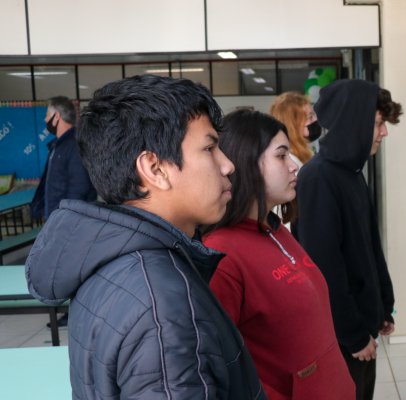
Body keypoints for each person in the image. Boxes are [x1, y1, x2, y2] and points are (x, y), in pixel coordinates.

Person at [25, 75, 266, 399]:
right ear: (154, 169)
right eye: (209, 148)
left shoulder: (110, 258)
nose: (227, 165)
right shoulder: (163, 307)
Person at [203, 109, 354, 400]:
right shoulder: (222, 255)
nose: (294, 166)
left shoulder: (273, 229)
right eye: (281, 155)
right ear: (246, 162)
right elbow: (219, 367)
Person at [296, 79, 402, 400]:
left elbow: (369, 249)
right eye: (378, 124)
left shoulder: (351, 174)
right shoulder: (318, 178)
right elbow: (325, 268)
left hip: (360, 324)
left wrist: (383, 305)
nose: (383, 133)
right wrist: (354, 335)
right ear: (353, 122)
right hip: (342, 338)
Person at [30, 96, 97, 220]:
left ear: (57, 116)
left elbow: (79, 188)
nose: (45, 119)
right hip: (57, 217)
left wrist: (67, 220)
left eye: (47, 115)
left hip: (68, 221)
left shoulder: (74, 145)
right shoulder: (58, 145)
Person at [269, 92, 321, 168]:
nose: (316, 119)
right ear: (293, 125)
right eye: (310, 117)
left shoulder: (302, 151)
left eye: (313, 114)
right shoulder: (291, 161)